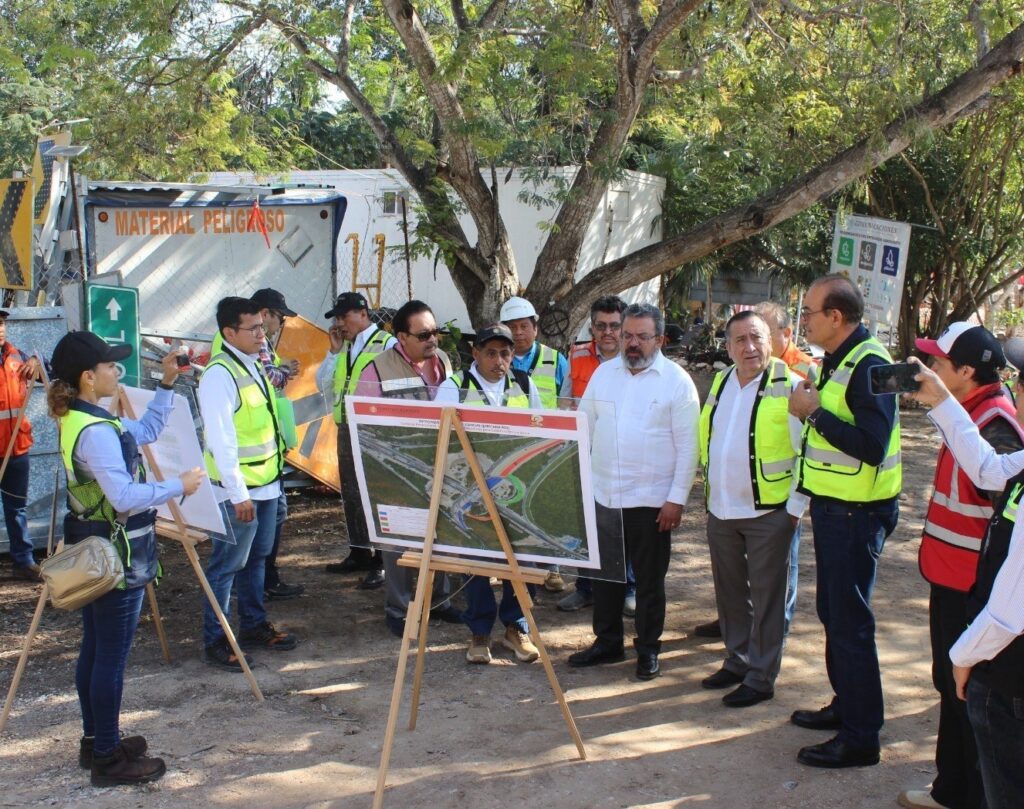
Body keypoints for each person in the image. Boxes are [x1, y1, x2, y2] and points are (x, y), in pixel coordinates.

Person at [49, 330, 204, 785]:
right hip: (116, 553)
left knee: (96, 649)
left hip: (96, 547)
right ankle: (108, 760)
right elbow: (123, 496)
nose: (116, 371)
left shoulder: (86, 417)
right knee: (110, 657)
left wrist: (167, 384)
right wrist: (179, 485)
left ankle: (97, 740)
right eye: (109, 366)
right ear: (87, 377)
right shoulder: (96, 430)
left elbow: (149, 431)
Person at [899, 323, 1023, 809]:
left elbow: (1013, 603)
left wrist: (966, 653)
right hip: (965, 590)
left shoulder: (998, 417)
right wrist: (941, 402)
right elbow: (990, 469)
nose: (1015, 390)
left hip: (1003, 648)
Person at [787, 274, 901, 768]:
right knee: (835, 615)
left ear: (836, 317)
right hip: (836, 507)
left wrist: (813, 414)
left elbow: (873, 447)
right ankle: (847, 707)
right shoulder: (840, 357)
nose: (803, 319)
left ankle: (861, 737)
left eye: (809, 311)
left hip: (857, 513)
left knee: (851, 623)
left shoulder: (872, 364)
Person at [568, 303, 700, 681]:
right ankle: (608, 643)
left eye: (642, 337)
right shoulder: (604, 375)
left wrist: (677, 498)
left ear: (659, 339)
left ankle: (648, 649)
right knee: (606, 577)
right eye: (627, 336)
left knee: (648, 582)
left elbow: (689, 447)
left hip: (652, 502)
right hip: (605, 495)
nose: (632, 344)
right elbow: (585, 427)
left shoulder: (676, 382)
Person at [698, 311, 806, 707]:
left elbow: (804, 454)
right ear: (727, 348)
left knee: (768, 598)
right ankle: (737, 658)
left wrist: (794, 510)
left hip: (769, 513)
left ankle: (761, 676)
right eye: (740, 340)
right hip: (722, 509)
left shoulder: (790, 386)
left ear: (773, 340)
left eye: (757, 338)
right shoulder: (722, 381)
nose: (750, 347)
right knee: (729, 593)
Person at [199, 297, 299, 671]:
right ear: (229, 333)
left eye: (262, 326)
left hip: (267, 483)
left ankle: (253, 624)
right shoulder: (219, 375)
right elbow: (221, 439)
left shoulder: (255, 362)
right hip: (238, 492)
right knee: (226, 567)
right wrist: (238, 493)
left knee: (257, 560)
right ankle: (217, 640)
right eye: (253, 329)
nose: (262, 334)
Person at [354, 300, 463, 637]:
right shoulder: (376, 369)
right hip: (397, 469)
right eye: (424, 334)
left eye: (436, 332)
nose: (434, 340)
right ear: (401, 336)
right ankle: (399, 610)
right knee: (398, 539)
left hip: (441, 465)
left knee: (441, 534)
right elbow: (364, 423)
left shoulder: (442, 362)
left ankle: (439, 601)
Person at [436, 323, 543, 664]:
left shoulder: (524, 384)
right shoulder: (454, 388)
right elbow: (438, 439)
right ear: (475, 354)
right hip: (470, 490)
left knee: (524, 557)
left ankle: (516, 627)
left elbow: (542, 432)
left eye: (506, 353)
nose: (500, 361)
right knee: (476, 560)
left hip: (515, 489)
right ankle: (479, 630)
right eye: (492, 353)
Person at [558, 295, 637, 616]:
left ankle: (628, 588)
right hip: (584, 455)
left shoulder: (636, 359)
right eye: (601, 326)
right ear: (591, 327)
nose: (608, 332)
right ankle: (585, 588)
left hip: (621, 457)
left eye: (615, 326)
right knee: (586, 525)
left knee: (623, 525)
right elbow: (565, 403)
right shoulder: (577, 356)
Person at [316, 292, 396, 588]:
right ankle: (359, 550)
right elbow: (322, 384)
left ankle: (382, 560)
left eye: (343, 316)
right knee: (351, 493)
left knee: (376, 494)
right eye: (337, 318)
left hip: (374, 430)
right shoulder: (344, 347)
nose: (340, 323)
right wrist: (334, 351)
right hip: (346, 427)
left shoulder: (387, 345)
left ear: (363, 313)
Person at [499, 296, 571, 592]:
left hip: (546, 447)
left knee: (546, 507)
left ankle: (552, 567)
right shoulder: (495, 358)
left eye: (524, 326)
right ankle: (512, 567)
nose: (518, 333)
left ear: (535, 328)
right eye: (512, 327)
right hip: (505, 446)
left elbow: (566, 403)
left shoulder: (556, 360)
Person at [250, 288, 304, 602]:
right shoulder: (256, 342)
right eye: (279, 317)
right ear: (266, 312)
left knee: (274, 514)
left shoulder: (260, 342)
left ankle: (265, 580)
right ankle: (263, 583)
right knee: (267, 519)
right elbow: (272, 380)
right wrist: (284, 372)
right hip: (257, 449)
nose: (279, 325)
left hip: (266, 445)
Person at [0, 310, 42, 580]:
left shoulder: (17, 357)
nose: (0, 329)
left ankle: (23, 560)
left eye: (1, 323)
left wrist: (39, 360)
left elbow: (49, 369)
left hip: (17, 448)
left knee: (16, 508)